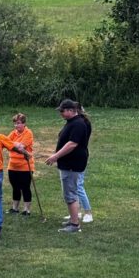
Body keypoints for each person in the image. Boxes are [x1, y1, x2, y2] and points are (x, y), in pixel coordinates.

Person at [45, 98, 91, 233]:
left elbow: (72, 144)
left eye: (62, 111)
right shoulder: (72, 122)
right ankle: (73, 219)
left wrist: (56, 156)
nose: (61, 114)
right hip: (68, 163)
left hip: (72, 163)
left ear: (71, 110)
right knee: (70, 192)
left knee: (70, 194)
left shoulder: (78, 124)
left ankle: (75, 225)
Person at [7, 112, 34, 217]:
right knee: (15, 187)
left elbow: (21, 147)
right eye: (15, 123)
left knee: (25, 187)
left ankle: (27, 210)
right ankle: (15, 208)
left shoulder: (28, 133)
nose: (16, 125)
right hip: (12, 165)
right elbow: (5, 143)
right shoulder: (13, 133)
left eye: (18, 123)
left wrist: (13, 144)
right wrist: (15, 144)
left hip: (25, 166)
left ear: (24, 123)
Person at [75, 103, 94, 223]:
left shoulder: (83, 123)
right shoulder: (79, 122)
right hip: (75, 157)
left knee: (78, 186)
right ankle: (76, 212)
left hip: (80, 157)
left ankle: (88, 212)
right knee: (74, 186)